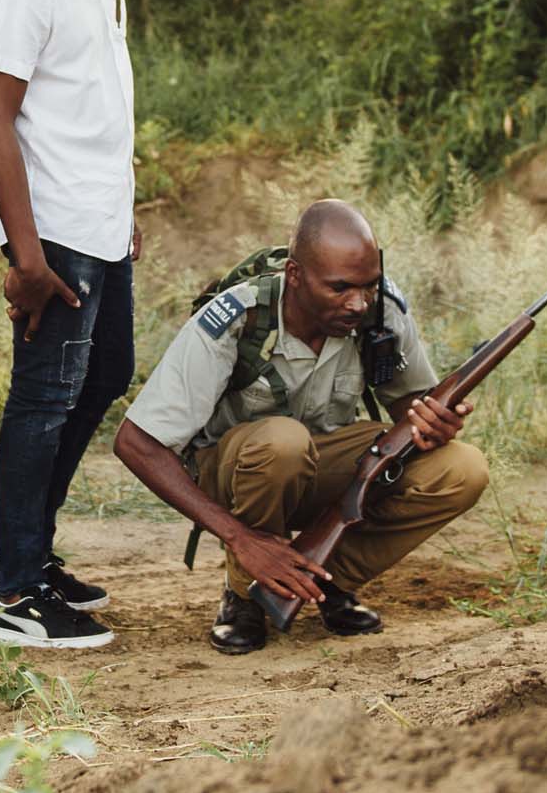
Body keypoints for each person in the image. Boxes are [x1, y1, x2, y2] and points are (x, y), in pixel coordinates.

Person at [0, 0, 181, 649]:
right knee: (45, 396)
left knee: (108, 373)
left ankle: (28, 552)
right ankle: (17, 593)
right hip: (48, 220)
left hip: (97, 211)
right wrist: (21, 255)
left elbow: (97, 90)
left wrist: (122, 202)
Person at [111, 200, 489, 656]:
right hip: (235, 474)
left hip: (322, 464)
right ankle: (245, 592)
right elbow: (136, 443)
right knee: (282, 443)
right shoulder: (238, 317)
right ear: (294, 275)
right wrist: (240, 538)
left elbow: (410, 403)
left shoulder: (380, 308)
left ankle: (322, 580)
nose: (357, 302)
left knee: (462, 468)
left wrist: (433, 420)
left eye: (367, 286)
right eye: (340, 288)